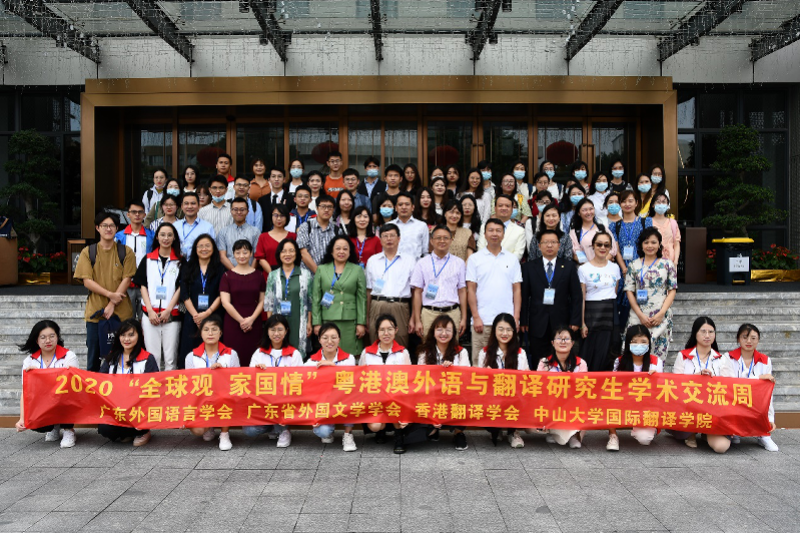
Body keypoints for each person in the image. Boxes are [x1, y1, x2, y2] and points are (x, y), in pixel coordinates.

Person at [74, 211, 137, 372]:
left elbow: (127, 279)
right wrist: (110, 295)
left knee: (124, 358)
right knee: (93, 359)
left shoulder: (126, 252)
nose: (108, 229)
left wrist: (111, 304)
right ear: (97, 228)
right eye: (104, 226)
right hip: (96, 314)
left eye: (112, 226)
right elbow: (87, 281)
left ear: (117, 228)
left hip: (122, 315)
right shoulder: (88, 252)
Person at [671, 317, 732, 452]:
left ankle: (706, 432)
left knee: (721, 447)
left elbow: (728, 387)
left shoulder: (722, 359)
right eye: (703, 331)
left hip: (713, 411)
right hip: (689, 408)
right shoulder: (683, 356)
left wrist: (712, 380)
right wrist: (697, 378)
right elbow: (676, 385)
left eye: (711, 332)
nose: (707, 335)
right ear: (695, 334)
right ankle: (690, 433)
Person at [521, 229, 582, 366]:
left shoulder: (568, 266)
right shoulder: (529, 267)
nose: (549, 245)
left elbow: (576, 296)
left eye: (553, 242)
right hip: (537, 322)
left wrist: (575, 320)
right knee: (538, 359)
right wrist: (524, 321)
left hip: (561, 321)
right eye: (545, 242)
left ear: (559, 245)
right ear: (539, 246)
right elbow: (524, 296)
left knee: (561, 359)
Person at [15, 320, 79, 448]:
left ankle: (68, 430)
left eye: (52, 336)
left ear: (57, 337)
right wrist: (22, 418)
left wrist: (40, 375)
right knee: (34, 423)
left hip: (64, 399)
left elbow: (73, 386)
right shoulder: (29, 361)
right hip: (43, 402)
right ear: (37, 340)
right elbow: (25, 391)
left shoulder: (68, 356)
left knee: (67, 395)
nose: (48, 340)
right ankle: (54, 426)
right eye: (43, 337)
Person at [243, 315, 304, 447]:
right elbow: (250, 381)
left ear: (286, 331)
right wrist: (257, 372)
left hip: (286, 401)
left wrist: (289, 377)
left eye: (280, 329)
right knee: (249, 430)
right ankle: (274, 427)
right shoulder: (259, 353)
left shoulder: (294, 354)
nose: (276, 333)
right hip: (264, 402)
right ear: (267, 331)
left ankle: (284, 430)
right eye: (272, 330)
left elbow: (300, 382)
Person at [467, 218, 522, 363]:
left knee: (509, 361)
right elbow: (471, 290)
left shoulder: (512, 259)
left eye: (498, 230)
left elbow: (517, 290)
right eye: (490, 230)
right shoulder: (475, 259)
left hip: (507, 322)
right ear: (484, 234)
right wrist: (476, 316)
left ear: (503, 234)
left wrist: (516, 318)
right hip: (482, 321)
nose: (494, 234)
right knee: (480, 363)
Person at [98, 319, 158, 447]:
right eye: (123, 335)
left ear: (139, 335)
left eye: (131, 335)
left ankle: (143, 432)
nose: (126, 339)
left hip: (139, 409)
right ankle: (128, 433)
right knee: (104, 428)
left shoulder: (148, 358)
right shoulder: (112, 357)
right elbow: (99, 381)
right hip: (116, 408)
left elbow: (154, 388)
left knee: (140, 420)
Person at [184, 315, 240, 451]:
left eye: (214, 329)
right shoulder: (191, 356)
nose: (210, 333)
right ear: (201, 333)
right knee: (197, 430)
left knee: (225, 397)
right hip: (202, 399)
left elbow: (238, 380)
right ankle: (209, 426)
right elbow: (189, 385)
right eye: (206, 329)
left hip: (224, 397)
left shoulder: (231, 354)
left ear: (220, 333)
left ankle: (224, 434)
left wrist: (222, 373)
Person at [415, 314, 471, 450]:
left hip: (454, 396)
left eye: (448, 330)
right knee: (420, 435)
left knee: (465, 398)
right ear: (433, 332)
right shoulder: (424, 352)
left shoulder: (461, 352)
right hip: (431, 397)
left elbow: (467, 378)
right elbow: (420, 379)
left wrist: (452, 370)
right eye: (439, 329)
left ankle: (458, 432)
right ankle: (433, 428)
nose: (444, 334)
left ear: (454, 333)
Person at [477, 314, 533, 448]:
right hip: (493, 398)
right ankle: (497, 429)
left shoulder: (520, 353)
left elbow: (525, 380)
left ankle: (513, 432)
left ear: (514, 332)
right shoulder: (484, 353)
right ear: (494, 331)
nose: (504, 333)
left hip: (515, 397)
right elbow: (479, 383)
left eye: (508, 330)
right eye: (501, 329)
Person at [358, 315, 412, 452]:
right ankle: (381, 430)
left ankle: (398, 436)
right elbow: (361, 379)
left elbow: (409, 380)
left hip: (396, 398)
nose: (386, 333)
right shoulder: (367, 353)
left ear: (396, 330)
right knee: (375, 426)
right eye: (382, 330)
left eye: (390, 329)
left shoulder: (403, 352)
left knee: (395, 403)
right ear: (377, 332)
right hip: (374, 399)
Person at [133, 222, 182, 371]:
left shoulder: (180, 261)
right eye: (162, 235)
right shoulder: (147, 259)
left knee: (170, 358)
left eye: (169, 235)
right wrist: (149, 310)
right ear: (157, 237)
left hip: (171, 315)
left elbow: (180, 288)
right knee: (152, 357)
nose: (166, 238)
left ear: (174, 238)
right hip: (150, 314)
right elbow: (143, 285)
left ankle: (170, 385)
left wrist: (168, 310)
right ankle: (154, 385)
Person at [606, 325, 663, 451]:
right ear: (628, 343)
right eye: (634, 342)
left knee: (645, 439)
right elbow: (613, 386)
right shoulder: (619, 361)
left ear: (649, 343)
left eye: (643, 342)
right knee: (609, 398)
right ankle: (613, 435)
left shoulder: (656, 362)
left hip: (646, 406)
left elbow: (660, 391)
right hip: (624, 403)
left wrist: (656, 378)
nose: (639, 345)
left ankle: (637, 427)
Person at [624, 228, 678, 361]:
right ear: (641, 245)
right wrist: (640, 315)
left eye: (653, 242)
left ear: (659, 244)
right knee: (632, 355)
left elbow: (672, 290)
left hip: (660, 316)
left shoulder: (667, 264)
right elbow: (629, 291)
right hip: (638, 316)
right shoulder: (634, 265)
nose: (650, 246)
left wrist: (661, 313)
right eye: (646, 242)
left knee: (657, 358)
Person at [724, 323, 779, 452]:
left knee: (763, 395)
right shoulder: (728, 357)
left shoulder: (765, 360)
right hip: (734, 400)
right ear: (738, 339)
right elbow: (731, 384)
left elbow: (768, 392)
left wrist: (770, 418)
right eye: (745, 337)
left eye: (753, 338)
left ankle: (763, 434)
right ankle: (734, 431)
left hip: (756, 402)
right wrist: (759, 378)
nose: (749, 341)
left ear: (758, 340)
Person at [304, 323, 358, 452]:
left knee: (353, 398)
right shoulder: (311, 362)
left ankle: (348, 434)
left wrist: (333, 368)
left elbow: (351, 384)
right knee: (322, 432)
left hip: (343, 402)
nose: (329, 341)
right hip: (323, 406)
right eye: (325, 337)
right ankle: (329, 430)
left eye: (334, 337)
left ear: (339, 339)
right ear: (319, 340)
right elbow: (301, 383)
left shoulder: (349, 359)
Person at [312, 236, 367, 355]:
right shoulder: (321, 269)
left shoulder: (357, 270)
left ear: (350, 252)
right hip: (328, 317)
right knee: (329, 352)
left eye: (345, 249)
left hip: (350, 319)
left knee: (350, 353)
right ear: (331, 251)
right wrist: (316, 322)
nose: (341, 251)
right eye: (338, 248)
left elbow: (361, 298)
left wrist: (361, 323)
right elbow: (316, 298)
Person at [411, 225, 467, 339]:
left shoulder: (459, 263)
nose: (442, 241)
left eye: (446, 238)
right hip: (429, 313)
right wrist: (417, 320)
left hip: (452, 312)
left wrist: (464, 318)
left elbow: (462, 291)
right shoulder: (422, 263)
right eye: (438, 238)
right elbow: (417, 292)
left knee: (452, 347)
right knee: (428, 347)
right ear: (431, 241)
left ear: (451, 240)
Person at [365, 223, 416, 347]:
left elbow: (415, 291)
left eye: (392, 236)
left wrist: (413, 317)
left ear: (399, 238)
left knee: (400, 342)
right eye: (385, 236)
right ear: (380, 239)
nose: (389, 239)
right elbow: (368, 291)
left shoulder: (409, 260)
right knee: (376, 342)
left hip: (400, 306)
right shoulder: (372, 260)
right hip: (378, 304)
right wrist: (366, 316)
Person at [537, 328, 589, 448]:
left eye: (566, 339)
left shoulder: (581, 363)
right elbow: (539, 389)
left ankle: (574, 435)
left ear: (572, 343)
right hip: (552, 405)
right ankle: (553, 431)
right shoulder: (544, 363)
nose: (563, 342)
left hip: (572, 404)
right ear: (552, 342)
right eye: (559, 338)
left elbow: (584, 389)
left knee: (582, 402)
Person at [579, 232, 622, 372]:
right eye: (599, 244)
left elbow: (614, 291)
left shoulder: (615, 267)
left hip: (610, 313)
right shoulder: (583, 269)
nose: (603, 248)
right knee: (590, 351)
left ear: (610, 248)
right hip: (591, 313)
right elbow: (582, 297)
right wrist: (582, 323)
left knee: (609, 352)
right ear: (593, 246)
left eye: (606, 245)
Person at [179, 235, 224, 366]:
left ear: (213, 248)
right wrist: (196, 316)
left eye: (207, 246)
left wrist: (207, 313)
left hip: (214, 314)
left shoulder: (220, 268)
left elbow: (221, 294)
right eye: (201, 246)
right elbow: (184, 293)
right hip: (192, 317)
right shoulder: (188, 267)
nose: (204, 249)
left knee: (214, 350)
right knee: (189, 350)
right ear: (195, 248)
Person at [220, 240, 265, 367]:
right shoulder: (227, 276)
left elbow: (262, 300)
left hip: (254, 321)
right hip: (233, 322)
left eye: (245, 252)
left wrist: (251, 319)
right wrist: (242, 321)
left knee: (253, 357)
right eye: (238, 252)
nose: (242, 256)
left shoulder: (259, 275)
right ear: (233, 254)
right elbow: (225, 302)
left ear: (251, 254)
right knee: (233, 357)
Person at [264, 239, 312, 359]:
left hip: (299, 320)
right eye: (284, 251)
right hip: (278, 320)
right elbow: (269, 302)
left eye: (291, 251)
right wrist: (270, 323)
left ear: (296, 253)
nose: (287, 254)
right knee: (279, 350)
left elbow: (310, 301)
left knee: (297, 350)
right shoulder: (273, 275)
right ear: (279, 254)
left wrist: (309, 322)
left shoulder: (305, 274)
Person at [297, 194, 345, 274]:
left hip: (330, 275)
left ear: (333, 209)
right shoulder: (306, 227)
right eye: (323, 206)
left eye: (330, 207)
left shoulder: (337, 231)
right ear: (317, 208)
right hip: (308, 276)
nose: (326, 210)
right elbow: (303, 253)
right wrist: (319, 273)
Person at [570, 198, 619, 269]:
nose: (588, 212)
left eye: (591, 209)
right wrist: (591, 266)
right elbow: (576, 254)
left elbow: (613, 249)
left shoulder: (603, 228)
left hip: (606, 268)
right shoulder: (574, 232)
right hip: (586, 269)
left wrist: (600, 264)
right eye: (584, 210)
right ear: (579, 213)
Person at [217, 197, 261, 270]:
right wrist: (235, 272)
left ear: (247, 211)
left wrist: (250, 272)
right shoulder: (223, 232)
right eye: (235, 209)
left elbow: (257, 255)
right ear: (231, 211)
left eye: (242, 209)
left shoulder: (255, 232)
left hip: (250, 272)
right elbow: (222, 256)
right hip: (230, 272)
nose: (239, 212)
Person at [477, 195, 526, 261]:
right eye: (500, 205)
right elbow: (481, 249)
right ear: (495, 208)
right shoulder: (484, 227)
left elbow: (517, 255)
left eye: (507, 206)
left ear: (512, 209)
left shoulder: (520, 231)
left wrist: (501, 265)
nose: (504, 208)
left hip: (509, 266)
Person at [255, 204, 296, 275]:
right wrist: (273, 274)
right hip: (269, 276)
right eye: (276, 215)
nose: (279, 219)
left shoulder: (293, 236)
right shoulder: (263, 237)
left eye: (282, 216)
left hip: (289, 276)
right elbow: (260, 259)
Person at [388, 192, 429, 260]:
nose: (404, 207)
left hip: (416, 264)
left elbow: (425, 252)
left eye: (407, 204)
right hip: (393, 264)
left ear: (413, 207)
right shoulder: (389, 226)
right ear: (396, 208)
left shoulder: (422, 226)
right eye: (400, 205)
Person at [174, 192, 215, 259]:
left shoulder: (207, 227)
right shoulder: (175, 226)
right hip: (177, 262)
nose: (190, 206)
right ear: (182, 206)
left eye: (193, 203)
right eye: (186, 203)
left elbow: (212, 249)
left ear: (199, 206)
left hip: (199, 262)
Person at [115, 200, 154, 269]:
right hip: (125, 273)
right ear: (128, 214)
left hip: (146, 273)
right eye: (133, 212)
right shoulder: (119, 236)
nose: (137, 214)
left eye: (140, 212)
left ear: (144, 215)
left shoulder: (152, 235)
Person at [257, 166, 294, 232]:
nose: (276, 179)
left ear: (284, 179)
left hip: (285, 234)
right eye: (273, 176)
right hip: (266, 234)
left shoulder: (291, 199)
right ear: (269, 179)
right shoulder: (262, 200)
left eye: (279, 176)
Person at [648, 192, 681, 264]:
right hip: (653, 262)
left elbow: (676, 244)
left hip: (670, 262)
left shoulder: (672, 223)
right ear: (653, 205)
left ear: (667, 205)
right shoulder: (647, 222)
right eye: (658, 202)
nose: (661, 204)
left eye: (663, 202)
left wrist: (675, 261)